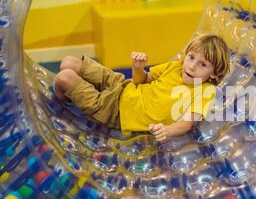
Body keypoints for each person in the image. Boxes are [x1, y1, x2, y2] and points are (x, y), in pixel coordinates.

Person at [54, 34, 230, 142]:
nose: (191, 66)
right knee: (68, 62)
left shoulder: (205, 91)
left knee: (64, 77)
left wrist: (167, 130)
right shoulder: (176, 67)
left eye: (202, 64)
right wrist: (138, 68)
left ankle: (63, 103)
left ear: (213, 74)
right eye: (191, 57)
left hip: (117, 111)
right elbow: (142, 80)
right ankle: (72, 94)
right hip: (123, 85)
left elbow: (187, 122)